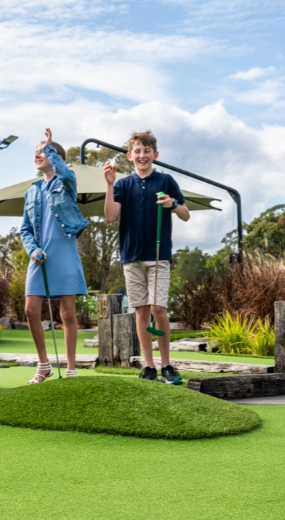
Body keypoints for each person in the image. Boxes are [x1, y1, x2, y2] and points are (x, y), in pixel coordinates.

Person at [103, 130, 190, 384]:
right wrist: (109, 184)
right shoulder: (122, 184)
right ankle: (149, 366)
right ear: (130, 156)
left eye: (147, 151)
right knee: (141, 312)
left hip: (158, 255)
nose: (142, 155)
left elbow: (185, 214)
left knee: (159, 309)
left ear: (155, 155)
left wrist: (172, 204)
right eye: (137, 151)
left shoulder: (166, 181)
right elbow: (110, 216)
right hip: (131, 256)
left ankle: (167, 365)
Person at [19, 129, 89, 383]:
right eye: (36, 152)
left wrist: (50, 146)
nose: (38, 155)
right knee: (30, 310)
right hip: (39, 257)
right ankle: (44, 364)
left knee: (68, 314)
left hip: (65, 252)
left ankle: (71, 369)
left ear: (56, 156)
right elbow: (25, 229)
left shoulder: (66, 183)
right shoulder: (31, 192)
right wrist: (32, 249)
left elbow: (66, 172)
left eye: (44, 151)